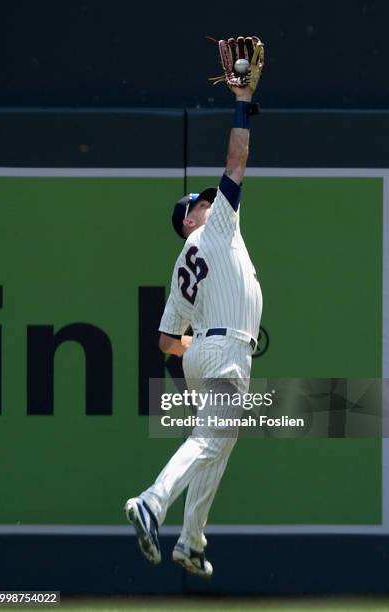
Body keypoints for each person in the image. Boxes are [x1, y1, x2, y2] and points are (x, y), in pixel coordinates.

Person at [125, 49, 263, 579]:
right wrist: (242, 103)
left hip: (203, 350)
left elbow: (165, 340)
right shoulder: (217, 227)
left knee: (219, 442)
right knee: (210, 439)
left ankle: (191, 541)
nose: (211, 202)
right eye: (199, 204)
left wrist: (198, 348)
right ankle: (152, 504)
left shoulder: (185, 262)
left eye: (208, 201)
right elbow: (236, 162)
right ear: (189, 220)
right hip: (225, 351)